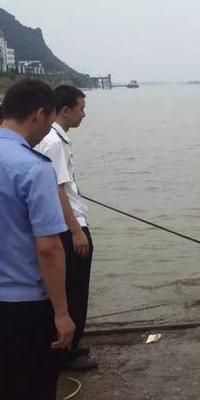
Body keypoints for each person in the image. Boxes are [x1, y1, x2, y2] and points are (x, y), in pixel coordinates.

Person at [0, 79, 75, 399]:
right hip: (24, 306)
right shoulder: (33, 168)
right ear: (39, 114)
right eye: (49, 122)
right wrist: (62, 313)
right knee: (33, 386)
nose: (47, 132)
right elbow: (48, 248)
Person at [35, 85, 97, 370]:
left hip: (66, 222)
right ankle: (67, 354)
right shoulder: (54, 143)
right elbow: (58, 189)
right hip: (69, 226)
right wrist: (76, 231)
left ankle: (69, 344)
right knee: (75, 290)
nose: (84, 114)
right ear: (64, 110)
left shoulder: (52, 139)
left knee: (70, 288)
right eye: (80, 108)